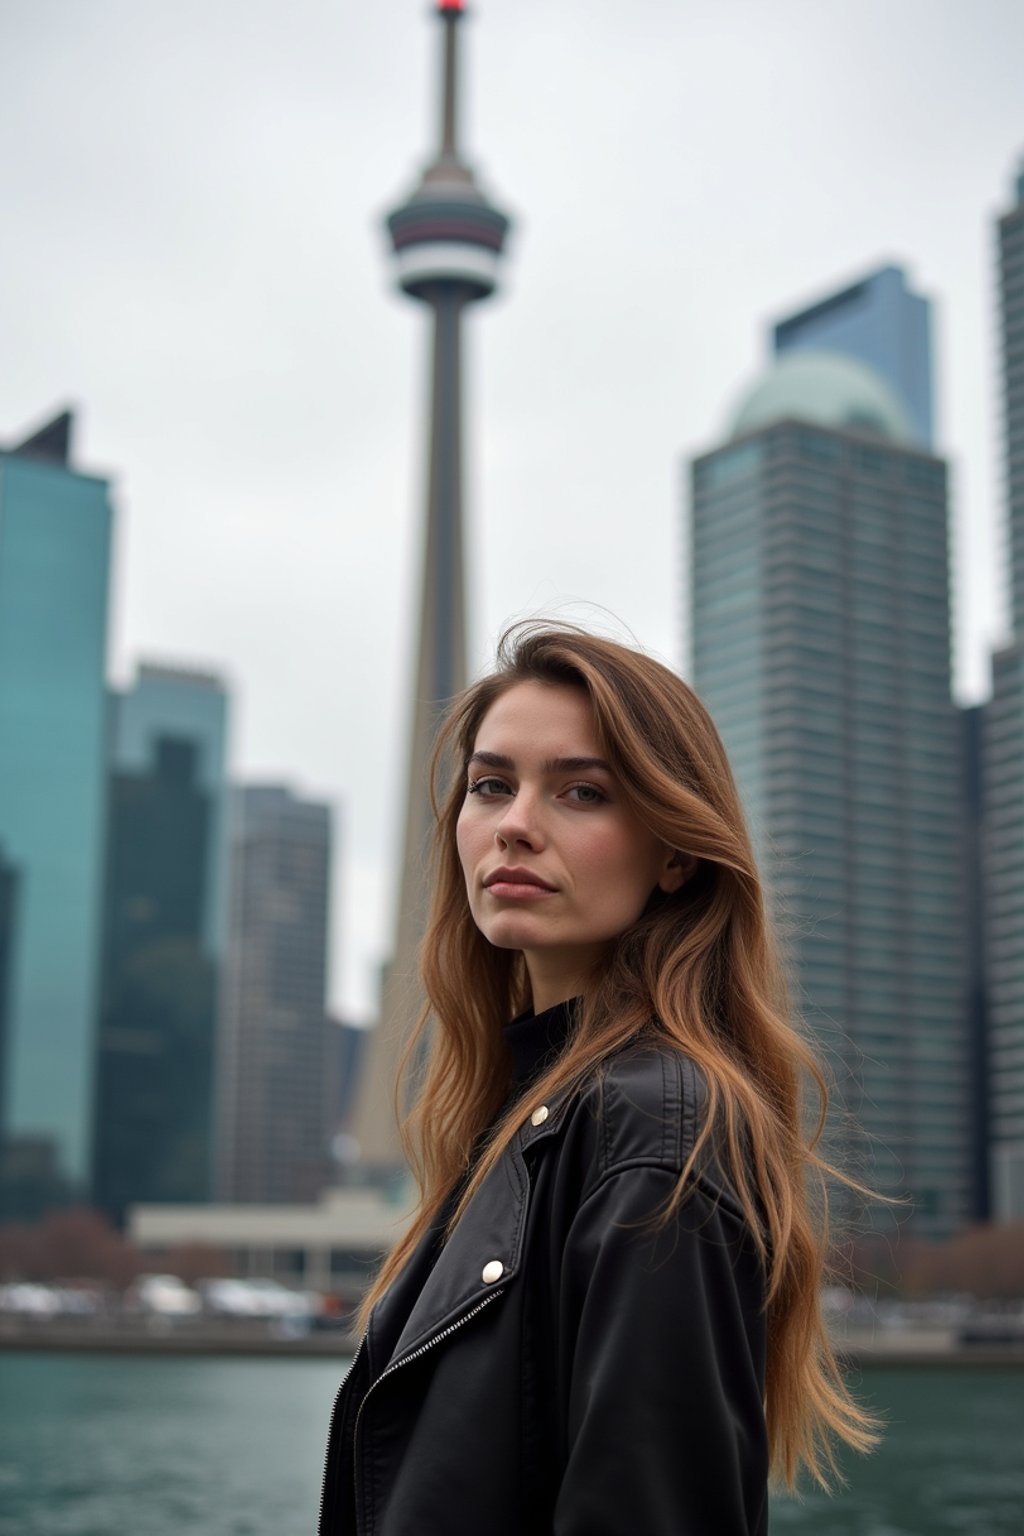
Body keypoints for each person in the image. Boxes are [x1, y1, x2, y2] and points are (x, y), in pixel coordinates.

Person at [319, 623, 876, 1535]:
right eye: (490, 785)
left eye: (581, 792)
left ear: (676, 852)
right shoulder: (528, 1113)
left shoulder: (652, 1128)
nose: (515, 825)